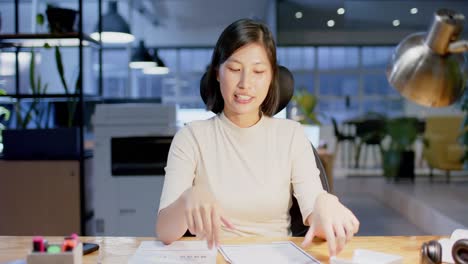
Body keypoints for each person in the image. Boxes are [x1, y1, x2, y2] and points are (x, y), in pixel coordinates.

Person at [156, 18, 359, 257]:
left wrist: (325, 205)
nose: (245, 84)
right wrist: (186, 199)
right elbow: (164, 232)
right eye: (234, 69)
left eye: (258, 71)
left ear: (271, 76)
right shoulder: (191, 137)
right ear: (217, 73)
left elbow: (315, 217)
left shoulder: (291, 135)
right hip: (212, 257)